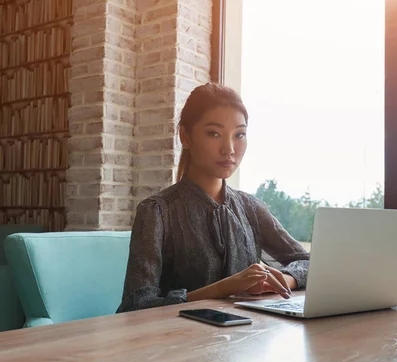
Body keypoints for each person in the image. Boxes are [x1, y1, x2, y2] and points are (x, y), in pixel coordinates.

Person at [116, 83, 310, 313]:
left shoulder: (252, 208)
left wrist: (281, 280)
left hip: (245, 340)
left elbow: (309, 263)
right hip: (179, 342)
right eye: (214, 134)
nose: (229, 149)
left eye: (239, 134)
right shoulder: (156, 212)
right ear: (185, 136)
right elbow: (134, 306)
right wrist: (222, 289)